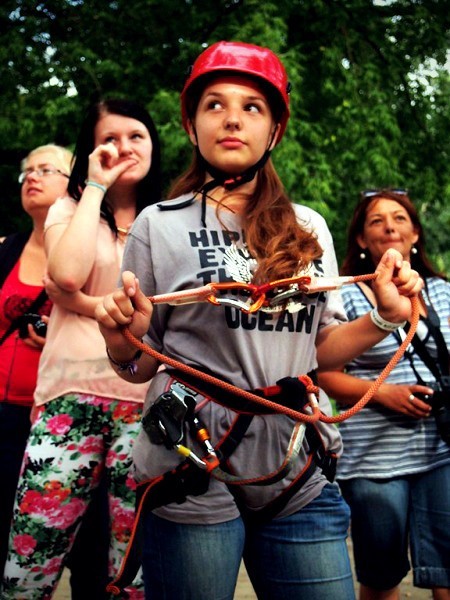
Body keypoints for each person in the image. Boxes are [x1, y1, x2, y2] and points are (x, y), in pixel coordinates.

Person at [95, 42, 422, 600]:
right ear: (192, 124)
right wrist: (120, 336)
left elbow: (318, 350)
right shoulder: (158, 225)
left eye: (252, 107)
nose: (232, 118)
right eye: (214, 104)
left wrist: (385, 318)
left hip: (295, 460)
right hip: (190, 461)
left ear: (273, 130)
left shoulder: (308, 227)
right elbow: (141, 364)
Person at [1, 99, 161, 599]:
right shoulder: (70, 207)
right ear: (90, 151)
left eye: (136, 136)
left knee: (130, 568)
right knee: (31, 556)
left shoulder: (169, 217)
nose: (124, 147)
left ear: (155, 145)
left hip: (145, 402)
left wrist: (80, 302)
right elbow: (65, 275)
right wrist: (94, 187)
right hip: (69, 398)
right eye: (109, 138)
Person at [318, 189, 450, 600]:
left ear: (415, 234)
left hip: (442, 451)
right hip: (375, 459)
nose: (390, 227)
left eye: (399, 219)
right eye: (376, 220)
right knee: (380, 576)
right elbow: (322, 372)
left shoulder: (443, 291)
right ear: (360, 238)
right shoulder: (345, 294)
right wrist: (383, 393)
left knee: (448, 568)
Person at [0, 144, 71, 577]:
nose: (32, 177)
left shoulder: (91, 254)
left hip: (54, 418)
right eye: (27, 170)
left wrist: (57, 340)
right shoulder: (5, 249)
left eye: (46, 169)